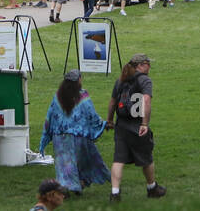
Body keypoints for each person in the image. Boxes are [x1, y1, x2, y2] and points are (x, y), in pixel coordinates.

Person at [104, 54, 166, 202]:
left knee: (118, 160)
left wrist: (110, 120)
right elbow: (146, 100)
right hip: (137, 126)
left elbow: (113, 102)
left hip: (121, 126)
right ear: (140, 65)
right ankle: (152, 188)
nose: (149, 67)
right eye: (148, 64)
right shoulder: (144, 80)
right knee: (146, 158)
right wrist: (144, 124)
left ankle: (115, 193)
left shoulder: (121, 80)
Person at [38, 70, 110, 195]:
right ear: (78, 80)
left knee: (64, 166)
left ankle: (70, 186)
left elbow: (50, 116)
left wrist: (46, 135)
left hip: (59, 138)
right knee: (83, 162)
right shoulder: (82, 95)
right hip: (78, 137)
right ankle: (73, 186)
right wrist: (102, 124)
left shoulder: (57, 96)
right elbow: (91, 114)